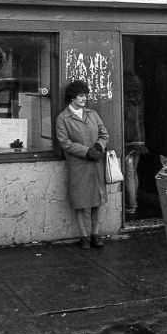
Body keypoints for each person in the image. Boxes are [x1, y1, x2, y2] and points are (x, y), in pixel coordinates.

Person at [56, 80, 109, 249]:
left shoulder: (92, 114)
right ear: (72, 98)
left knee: (97, 202)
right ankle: (84, 236)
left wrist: (99, 146)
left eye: (85, 95)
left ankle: (96, 234)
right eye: (80, 95)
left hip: (95, 165)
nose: (84, 99)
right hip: (79, 165)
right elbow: (65, 143)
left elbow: (104, 134)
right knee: (81, 203)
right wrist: (86, 151)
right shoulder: (63, 118)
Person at [123, 72, 147, 216]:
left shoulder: (124, 100)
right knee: (134, 173)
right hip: (139, 139)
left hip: (128, 140)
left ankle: (131, 206)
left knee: (129, 174)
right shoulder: (138, 99)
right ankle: (135, 201)